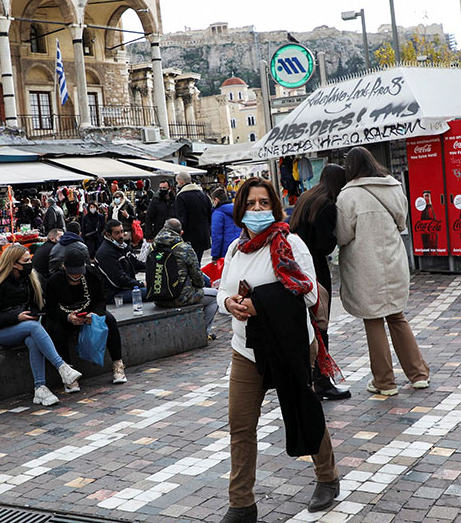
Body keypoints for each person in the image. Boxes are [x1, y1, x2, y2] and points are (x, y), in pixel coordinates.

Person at [217, 177, 339, 521]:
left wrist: (260, 303)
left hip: (289, 344)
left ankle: (327, 477)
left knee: (302, 407)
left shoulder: (290, 244)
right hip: (246, 347)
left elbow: (310, 293)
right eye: (251, 203)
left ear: (274, 206)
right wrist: (229, 302)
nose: (257, 210)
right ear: (241, 209)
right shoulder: (235, 249)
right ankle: (241, 503)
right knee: (240, 425)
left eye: (264, 203)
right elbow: (223, 289)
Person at [336, 147, 430, 395]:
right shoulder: (394, 187)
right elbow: (402, 222)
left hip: (365, 265)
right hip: (393, 261)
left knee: (373, 320)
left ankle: (385, 382)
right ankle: (418, 374)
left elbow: (343, 235)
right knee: (397, 315)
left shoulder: (348, 196)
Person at [0, 243, 83, 406]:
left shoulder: (29, 278)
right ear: (14, 263)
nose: (30, 263)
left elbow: (38, 303)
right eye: (26, 260)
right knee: (34, 328)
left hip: (24, 326)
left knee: (33, 340)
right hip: (2, 331)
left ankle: (40, 388)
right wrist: (17, 317)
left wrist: (33, 313)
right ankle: (62, 367)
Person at [288, 164, 351, 401]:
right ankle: (322, 380)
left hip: (298, 266)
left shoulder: (307, 197)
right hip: (314, 268)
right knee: (320, 323)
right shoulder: (327, 204)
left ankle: (308, 378)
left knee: (307, 324)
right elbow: (325, 244)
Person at [44, 250, 127, 386]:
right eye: (73, 272)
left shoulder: (92, 275)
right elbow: (50, 308)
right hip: (65, 315)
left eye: (79, 271)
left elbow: (101, 299)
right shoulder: (54, 280)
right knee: (56, 329)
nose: (76, 275)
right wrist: (68, 317)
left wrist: (94, 314)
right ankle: (68, 373)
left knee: (110, 320)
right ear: (64, 267)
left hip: (88, 312)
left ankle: (118, 363)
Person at [149, 218, 219, 335]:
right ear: (181, 233)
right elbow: (198, 278)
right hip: (179, 298)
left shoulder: (152, 247)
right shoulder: (184, 248)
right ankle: (203, 333)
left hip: (157, 298)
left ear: (163, 228)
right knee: (215, 297)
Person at [96, 219, 146, 305]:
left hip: (127, 287)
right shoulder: (106, 253)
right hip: (114, 293)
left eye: (122, 231)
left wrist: (153, 265)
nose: (121, 235)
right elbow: (119, 280)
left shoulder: (123, 246)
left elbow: (136, 264)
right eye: (117, 233)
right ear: (108, 234)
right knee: (153, 292)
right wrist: (141, 284)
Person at [174, 172, 213, 262]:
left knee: (189, 264)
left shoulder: (181, 197)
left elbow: (182, 218)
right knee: (197, 262)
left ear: (181, 182)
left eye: (177, 182)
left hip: (189, 237)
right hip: (203, 235)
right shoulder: (204, 195)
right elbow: (209, 215)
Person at [210, 187, 242, 262]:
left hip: (225, 250)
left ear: (216, 199)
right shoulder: (236, 209)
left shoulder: (218, 213)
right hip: (239, 245)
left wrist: (215, 255)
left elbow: (217, 236)